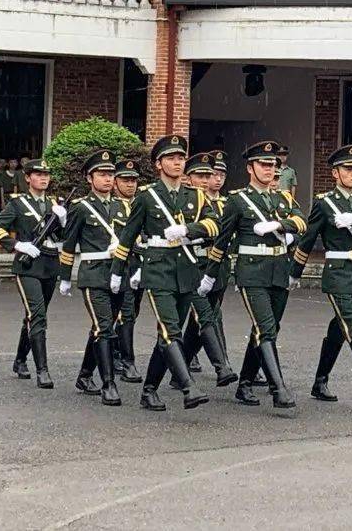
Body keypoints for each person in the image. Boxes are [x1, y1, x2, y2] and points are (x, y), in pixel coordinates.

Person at [110, 135, 220, 412]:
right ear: (159, 164)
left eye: (180, 158)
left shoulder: (194, 194)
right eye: (171, 158)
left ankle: (149, 390)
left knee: (167, 335)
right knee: (171, 330)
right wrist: (117, 271)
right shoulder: (146, 196)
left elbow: (215, 224)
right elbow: (128, 236)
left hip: (186, 269)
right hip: (157, 268)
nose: (177, 162)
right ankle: (188, 387)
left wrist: (188, 231)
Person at [201, 141, 307, 409]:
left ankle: (246, 383)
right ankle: (278, 388)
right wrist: (210, 275)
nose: (270, 169)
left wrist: (280, 224)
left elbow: (301, 222)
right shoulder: (237, 201)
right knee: (266, 328)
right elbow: (222, 241)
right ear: (250, 168)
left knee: (266, 330)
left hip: (279, 271)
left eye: (273, 165)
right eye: (264, 164)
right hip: (252, 272)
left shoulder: (283, 198)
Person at [295, 144, 352, 403]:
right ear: (335, 173)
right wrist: (295, 272)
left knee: (340, 327)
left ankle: (320, 382)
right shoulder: (325, 203)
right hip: (336, 272)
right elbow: (307, 238)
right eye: (348, 169)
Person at [0, 158, 67, 388]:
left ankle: (20, 359)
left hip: (50, 263)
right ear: (28, 178)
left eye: (46, 175)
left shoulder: (55, 205)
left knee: (33, 316)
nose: (43, 178)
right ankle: (42, 370)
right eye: (38, 174)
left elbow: (62, 237)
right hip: (28, 266)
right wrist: (17, 245)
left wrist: (63, 220)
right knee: (39, 315)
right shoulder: (18, 204)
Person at [58, 150, 124, 406]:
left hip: (117, 274)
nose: (108, 179)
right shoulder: (81, 208)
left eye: (111, 175)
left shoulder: (122, 206)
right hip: (93, 274)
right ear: (90, 178)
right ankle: (108, 383)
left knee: (102, 327)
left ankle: (85, 375)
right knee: (104, 327)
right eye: (102, 174)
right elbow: (68, 244)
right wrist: (65, 277)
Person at [173, 153, 238, 390]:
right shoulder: (182, 201)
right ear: (188, 178)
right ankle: (222, 366)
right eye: (202, 175)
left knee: (201, 320)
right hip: (192, 265)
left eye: (210, 175)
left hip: (217, 266)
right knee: (204, 317)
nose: (210, 179)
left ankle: (182, 365)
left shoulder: (223, 204)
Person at [112, 158, 144, 383]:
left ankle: (115, 351)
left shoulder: (143, 203)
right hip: (122, 265)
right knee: (125, 314)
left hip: (141, 265)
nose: (130, 184)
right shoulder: (111, 207)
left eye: (133, 180)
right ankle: (127, 361)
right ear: (115, 182)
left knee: (133, 312)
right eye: (125, 180)